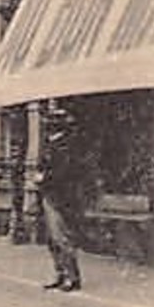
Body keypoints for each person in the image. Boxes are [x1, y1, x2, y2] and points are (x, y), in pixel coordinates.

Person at [38, 102, 92, 292]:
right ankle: (60, 274)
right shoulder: (52, 143)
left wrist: (43, 177)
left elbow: (65, 171)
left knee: (62, 237)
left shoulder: (66, 145)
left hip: (61, 195)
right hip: (49, 193)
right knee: (52, 239)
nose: (48, 126)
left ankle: (72, 277)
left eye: (52, 123)